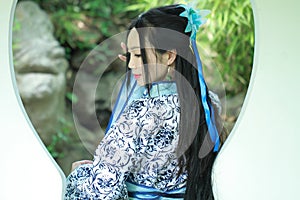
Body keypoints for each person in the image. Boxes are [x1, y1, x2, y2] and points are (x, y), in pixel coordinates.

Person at [64, 4, 226, 200]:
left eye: (139, 56)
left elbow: (101, 192)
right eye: (131, 55)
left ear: (169, 56)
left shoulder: (140, 114)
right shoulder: (209, 104)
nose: (131, 64)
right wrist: (143, 68)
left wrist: (79, 175)